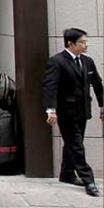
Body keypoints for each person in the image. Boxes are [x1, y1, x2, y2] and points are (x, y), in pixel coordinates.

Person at [42, 27, 104, 198]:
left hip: (82, 109)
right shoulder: (57, 62)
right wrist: (51, 110)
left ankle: (67, 173)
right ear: (70, 43)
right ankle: (88, 179)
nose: (86, 45)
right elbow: (50, 87)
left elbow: (97, 84)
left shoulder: (87, 61)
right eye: (82, 42)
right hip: (66, 112)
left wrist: (102, 105)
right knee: (76, 145)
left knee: (74, 143)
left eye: (86, 42)